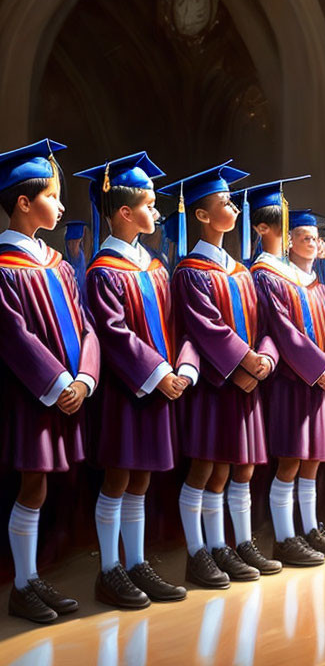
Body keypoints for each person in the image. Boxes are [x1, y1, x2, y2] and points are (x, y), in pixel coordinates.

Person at [76, 153, 195, 608]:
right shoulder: (103, 270)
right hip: (126, 390)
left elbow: (176, 324)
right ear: (125, 212)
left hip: (159, 385)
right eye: (149, 204)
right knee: (119, 476)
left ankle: (136, 563)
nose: (157, 212)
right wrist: (159, 372)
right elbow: (113, 333)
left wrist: (181, 366)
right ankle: (109, 570)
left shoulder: (155, 266)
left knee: (142, 478)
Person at [160, 162, 282, 588]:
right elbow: (205, 328)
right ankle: (199, 553)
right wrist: (246, 363)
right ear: (201, 215)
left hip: (246, 383)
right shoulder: (190, 271)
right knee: (206, 468)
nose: (234, 207)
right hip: (214, 385)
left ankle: (233, 544)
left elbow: (265, 326)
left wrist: (264, 359)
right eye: (225, 202)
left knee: (239, 469)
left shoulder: (241, 271)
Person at [0, 139, 100, 623]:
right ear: (23, 202)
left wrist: (85, 378)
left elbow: (85, 326)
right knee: (31, 485)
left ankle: (32, 577)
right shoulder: (5, 268)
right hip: (30, 395)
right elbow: (13, 336)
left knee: (43, 489)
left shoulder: (58, 264)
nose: (62, 206)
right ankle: (22, 584)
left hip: (67, 392)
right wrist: (60, 382)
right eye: (53, 196)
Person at [244, 179, 325, 563]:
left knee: (312, 461)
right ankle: (284, 537)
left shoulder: (316, 285)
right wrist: (318, 367)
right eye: (300, 235)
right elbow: (283, 331)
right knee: (289, 460)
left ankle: (309, 527)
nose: (309, 241)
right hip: (291, 381)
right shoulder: (267, 277)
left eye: (313, 237)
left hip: (319, 381)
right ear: (286, 240)